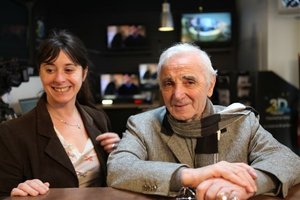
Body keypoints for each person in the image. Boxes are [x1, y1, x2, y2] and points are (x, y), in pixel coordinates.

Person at [107, 43, 300, 199]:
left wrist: (245, 187)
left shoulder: (240, 122)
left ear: (211, 85)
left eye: (189, 82)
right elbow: (118, 169)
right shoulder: (142, 125)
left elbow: (289, 162)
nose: (177, 94)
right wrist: (191, 176)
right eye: (168, 83)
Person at [0, 29, 120, 198]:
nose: (59, 79)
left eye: (69, 70)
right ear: (40, 73)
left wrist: (119, 153)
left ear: (83, 73)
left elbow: (110, 181)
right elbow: (4, 192)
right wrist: (19, 190)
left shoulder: (98, 118)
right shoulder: (12, 132)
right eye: (50, 70)